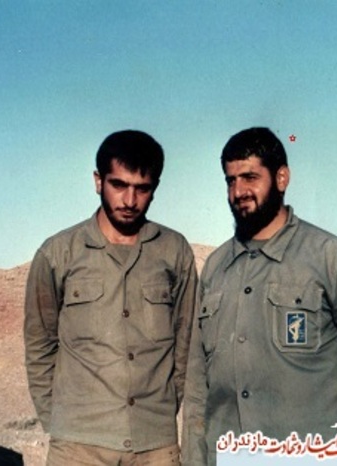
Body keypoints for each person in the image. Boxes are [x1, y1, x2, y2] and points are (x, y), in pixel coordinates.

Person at [182, 127, 337, 465]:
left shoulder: (330, 258)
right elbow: (197, 383)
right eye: (231, 180)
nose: (238, 192)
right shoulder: (216, 268)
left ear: (281, 178)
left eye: (250, 177)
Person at [24, 130, 197, 466]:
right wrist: (61, 423)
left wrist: (159, 412)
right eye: (119, 185)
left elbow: (185, 344)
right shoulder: (57, 253)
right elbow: (40, 345)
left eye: (142, 188)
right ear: (98, 181)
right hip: (77, 448)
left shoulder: (174, 251)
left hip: (155, 446)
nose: (129, 200)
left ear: (155, 188)